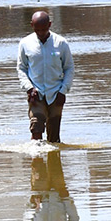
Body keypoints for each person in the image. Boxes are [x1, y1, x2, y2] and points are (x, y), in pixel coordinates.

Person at [16, 10, 73, 143]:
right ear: (32, 26)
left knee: (54, 138)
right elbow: (21, 68)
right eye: (37, 30)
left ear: (50, 25)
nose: (41, 33)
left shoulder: (61, 43)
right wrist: (29, 88)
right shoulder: (25, 43)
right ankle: (37, 160)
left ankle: (52, 161)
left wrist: (63, 91)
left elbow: (69, 68)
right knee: (36, 127)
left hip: (56, 93)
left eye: (44, 29)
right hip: (36, 94)